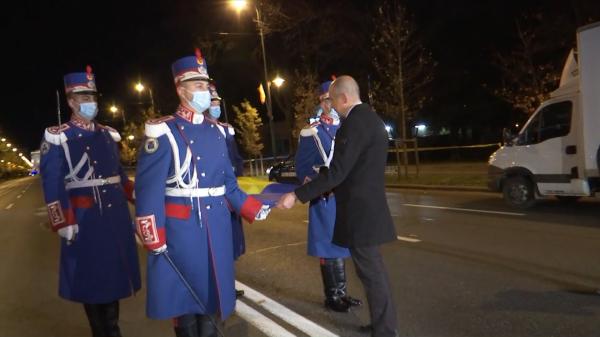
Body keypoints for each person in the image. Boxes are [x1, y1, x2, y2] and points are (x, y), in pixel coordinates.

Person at [134, 49, 270, 337]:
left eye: (206, 85)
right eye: (197, 86)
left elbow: (229, 186)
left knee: (212, 303)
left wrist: (253, 207)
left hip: (217, 230)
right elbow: (149, 190)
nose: (205, 91)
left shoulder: (219, 132)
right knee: (185, 308)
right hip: (181, 232)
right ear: (180, 89)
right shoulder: (164, 132)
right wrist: (152, 235)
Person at [278, 75, 399, 337]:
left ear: (343, 98)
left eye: (333, 101)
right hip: (368, 209)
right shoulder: (370, 119)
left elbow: (337, 172)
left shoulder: (353, 124)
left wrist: (297, 195)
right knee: (371, 274)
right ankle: (381, 325)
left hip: (361, 212)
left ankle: (386, 330)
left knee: (373, 275)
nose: (331, 106)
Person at [39, 66, 141, 337]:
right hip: (86, 222)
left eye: (92, 96)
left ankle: (112, 329)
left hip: (115, 220)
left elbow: (118, 175)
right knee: (93, 283)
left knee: (114, 282)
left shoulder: (107, 134)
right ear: (71, 101)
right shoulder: (59, 136)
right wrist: (63, 219)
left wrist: (137, 197)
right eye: (83, 97)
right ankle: (102, 331)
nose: (90, 102)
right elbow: (51, 182)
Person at [294, 80, 361, 312]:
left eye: (333, 98)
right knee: (328, 246)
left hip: (345, 197)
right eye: (326, 99)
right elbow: (302, 167)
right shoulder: (312, 131)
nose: (330, 104)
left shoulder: (346, 127)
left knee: (341, 245)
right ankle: (332, 296)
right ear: (321, 103)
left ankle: (342, 292)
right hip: (325, 196)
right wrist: (316, 185)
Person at [207, 84, 246, 298]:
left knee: (230, 242)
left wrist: (235, 172)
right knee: (215, 243)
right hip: (212, 195)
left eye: (217, 103)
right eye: (212, 103)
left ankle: (228, 284)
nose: (215, 107)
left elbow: (236, 158)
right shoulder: (201, 130)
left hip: (229, 192)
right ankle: (218, 287)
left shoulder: (226, 129)